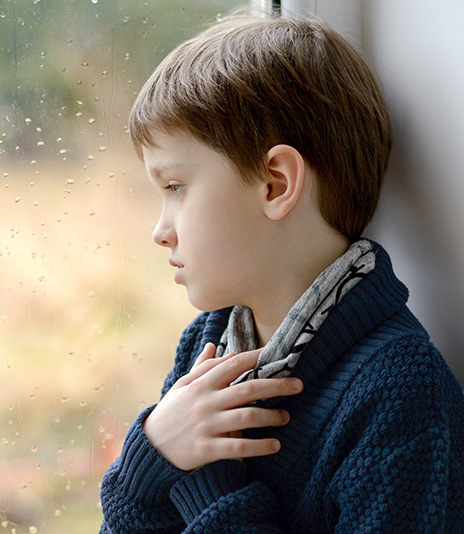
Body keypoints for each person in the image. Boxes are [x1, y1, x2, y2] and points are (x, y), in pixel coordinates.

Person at [99, 10, 464, 533]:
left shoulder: (400, 396)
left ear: (275, 184)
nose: (161, 230)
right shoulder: (207, 348)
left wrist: (203, 481)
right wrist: (148, 459)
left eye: (175, 187)